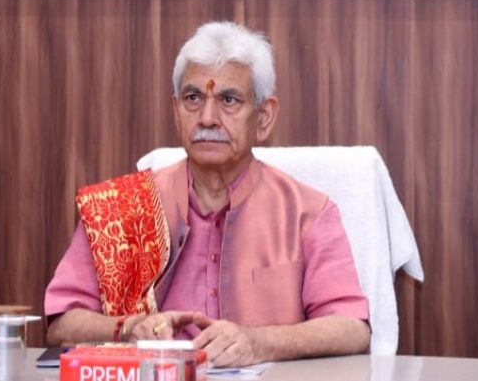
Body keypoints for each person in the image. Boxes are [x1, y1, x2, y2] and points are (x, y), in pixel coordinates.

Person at [45, 21, 370, 367]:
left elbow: (352, 329)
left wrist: (260, 342)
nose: (207, 118)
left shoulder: (308, 213)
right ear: (176, 110)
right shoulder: (123, 208)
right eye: (193, 98)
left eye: (228, 100)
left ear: (264, 117)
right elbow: (63, 321)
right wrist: (128, 327)